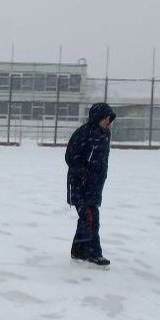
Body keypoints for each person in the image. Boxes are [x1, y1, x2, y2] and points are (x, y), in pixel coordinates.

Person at [65, 102, 116, 268]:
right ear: (97, 117)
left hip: (96, 184)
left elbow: (102, 161)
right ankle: (93, 253)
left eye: (110, 119)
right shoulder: (83, 133)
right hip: (80, 183)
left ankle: (78, 250)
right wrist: (84, 172)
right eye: (105, 118)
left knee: (87, 217)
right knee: (90, 217)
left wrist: (100, 177)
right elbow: (70, 157)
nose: (108, 121)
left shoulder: (105, 134)